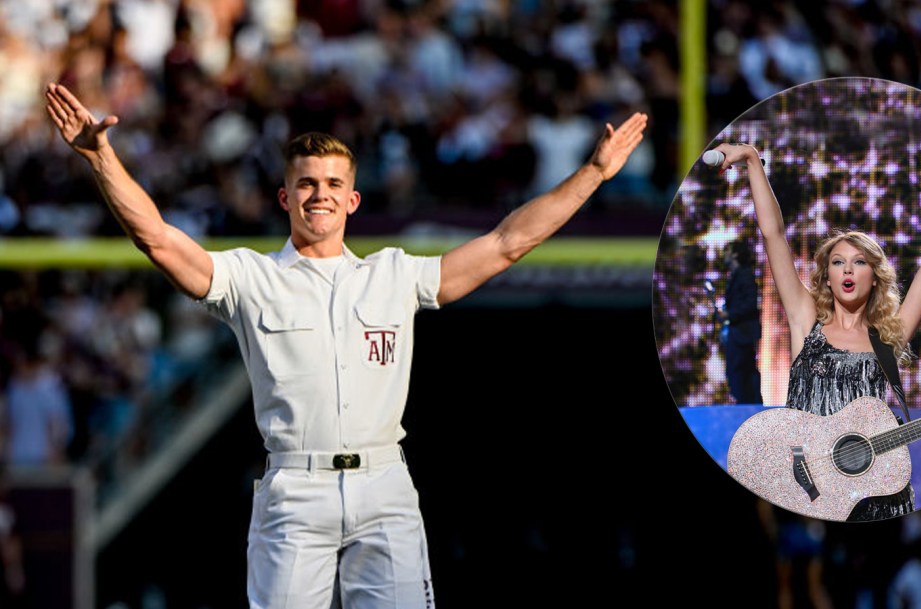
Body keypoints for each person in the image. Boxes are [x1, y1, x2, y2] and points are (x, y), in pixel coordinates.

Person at [45, 82, 647, 608]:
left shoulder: (393, 274)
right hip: (292, 491)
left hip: (385, 485)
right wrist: (101, 157)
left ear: (353, 199)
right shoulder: (249, 278)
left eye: (334, 183)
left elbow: (506, 243)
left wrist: (592, 173)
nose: (320, 194)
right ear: (285, 198)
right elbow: (156, 238)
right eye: (305, 183)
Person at [710, 142, 921, 521]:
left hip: (875, 496)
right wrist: (753, 160)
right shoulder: (806, 319)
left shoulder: (888, 334)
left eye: (858, 262)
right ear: (828, 276)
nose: (848, 270)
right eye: (838, 262)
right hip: (806, 491)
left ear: (875, 276)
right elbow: (774, 236)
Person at [714, 240, 763, 405]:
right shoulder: (736, 276)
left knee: (742, 372)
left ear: (735, 254)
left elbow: (750, 303)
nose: (724, 254)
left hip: (744, 333)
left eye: (727, 250)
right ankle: (747, 406)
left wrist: (730, 314)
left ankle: (750, 407)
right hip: (738, 332)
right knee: (740, 372)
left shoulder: (744, 274)